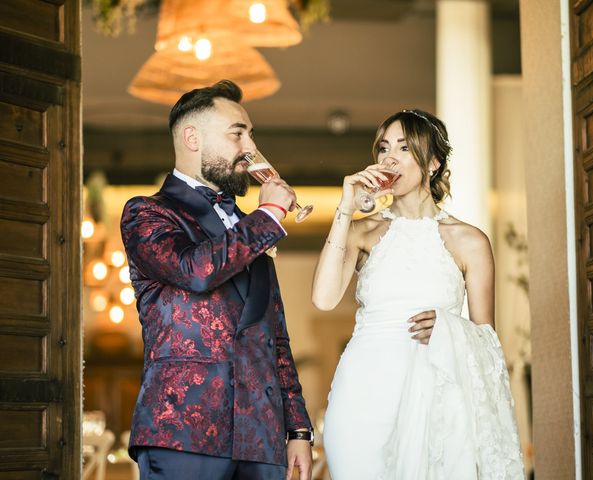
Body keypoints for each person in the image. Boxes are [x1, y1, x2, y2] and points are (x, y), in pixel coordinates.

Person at [312, 109, 524, 479]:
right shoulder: (364, 232)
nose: (389, 158)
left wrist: (449, 328)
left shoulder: (469, 241)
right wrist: (345, 208)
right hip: (362, 393)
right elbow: (324, 299)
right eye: (383, 148)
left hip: (436, 397)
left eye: (405, 148)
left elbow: (487, 342)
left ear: (433, 164)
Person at [120, 80, 313, 480]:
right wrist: (270, 215)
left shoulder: (252, 226)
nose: (249, 148)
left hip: (261, 437)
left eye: (250, 134)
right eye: (237, 133)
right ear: (193, 138)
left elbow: (275, 335)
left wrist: (297, 428)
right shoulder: (147, 214)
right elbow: (196, 271)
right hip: (183, 432)